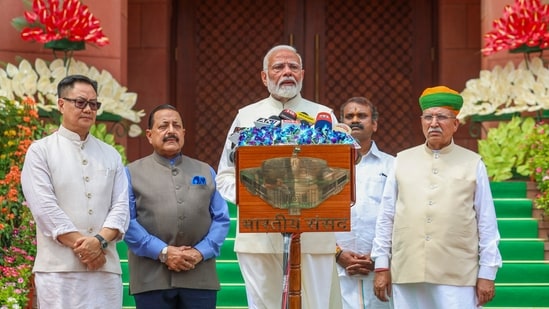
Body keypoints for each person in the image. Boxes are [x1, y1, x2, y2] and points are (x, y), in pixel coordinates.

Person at [216, 44, 342, 309]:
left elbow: (341, 173)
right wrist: (257, 198)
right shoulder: (246, 117)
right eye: (278, 67)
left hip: (313, 237)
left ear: (303, 74)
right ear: (264, 77)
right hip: (259, 238)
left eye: (293, 67)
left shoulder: (324, 116)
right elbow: (225, 176)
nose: (287, 72)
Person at [371, 86, 502, 308]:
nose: (433, 123)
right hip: (407, 269)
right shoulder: (401, 161)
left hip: (457, 273)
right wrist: (382, 265)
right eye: (428, 117)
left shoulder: (473, 163)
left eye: (441, 117)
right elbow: (386, 217)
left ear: (455, 124)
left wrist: (487, 272)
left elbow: (487, 222)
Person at [21, 74, 130, 308]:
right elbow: (45, 208)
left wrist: (99, 242)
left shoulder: (110, 154)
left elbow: (121, 207)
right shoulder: (41, 151)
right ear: (61, 104)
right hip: (59, 270)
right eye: (80, 102)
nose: (88, 109)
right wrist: (87, 248)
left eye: (93, 104)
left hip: (105, 268)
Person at [124, 104, 230, 309]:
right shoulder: (131, 172)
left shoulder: (205, 171)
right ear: (149, 134)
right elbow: (126, 221)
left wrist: (200, 252)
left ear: (183, 133)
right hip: (150, 278)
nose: (171, 131)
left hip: (199, 275)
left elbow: (221, 219)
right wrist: (162, 251)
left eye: (176, 126)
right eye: (163, 126)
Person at [335, 97, 394, 309]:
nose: (355, 120)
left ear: (374, 124)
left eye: (362, 116)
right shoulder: (325, 165)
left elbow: (400, 216)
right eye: (349, 116)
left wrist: (379, 259)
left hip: (379, 269)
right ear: (340, 125)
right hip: (334, 267)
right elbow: (315, 216)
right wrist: (337, 254)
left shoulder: (393, 166)